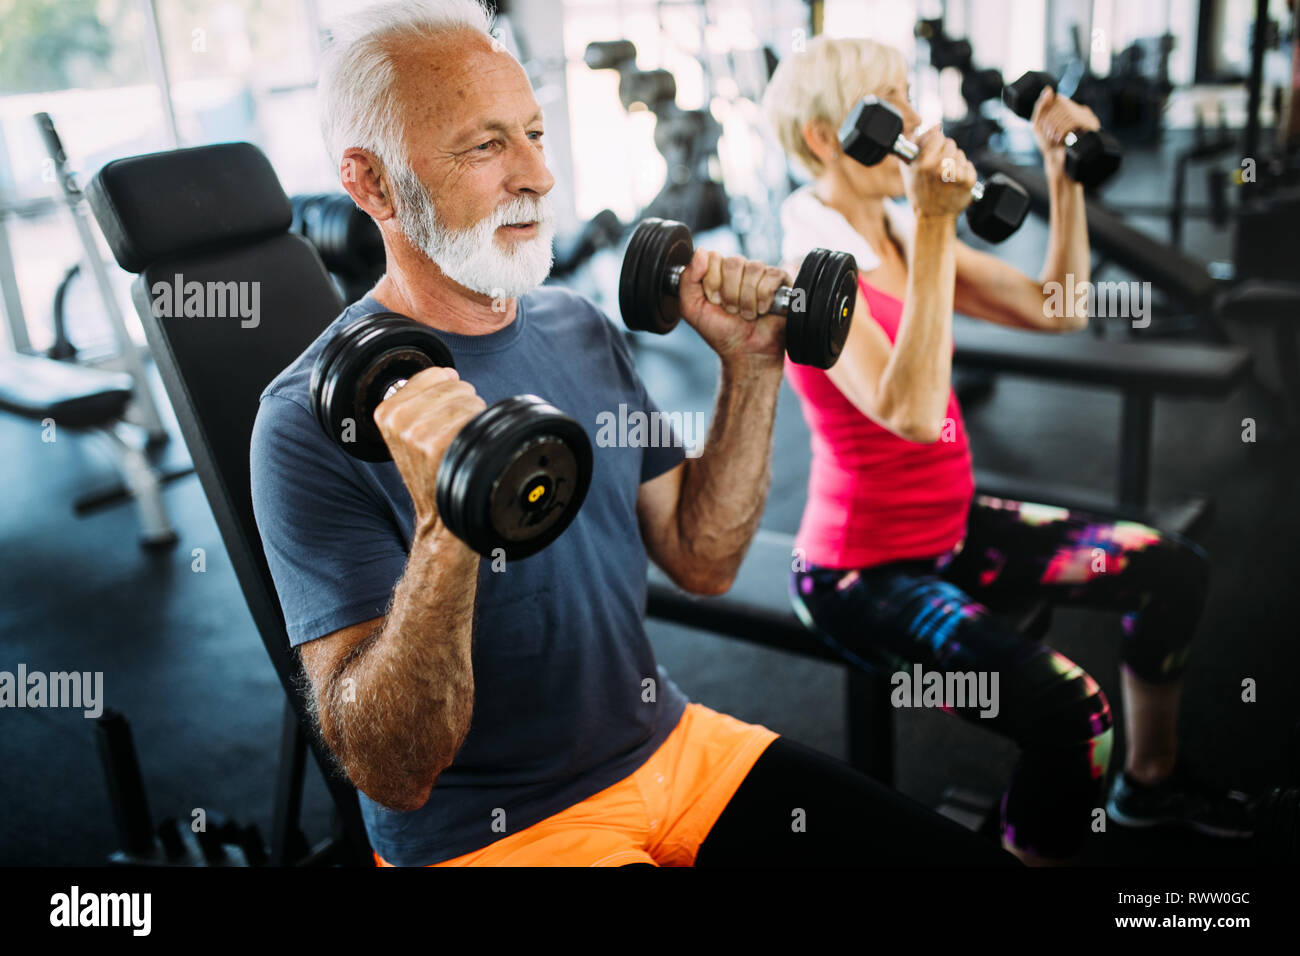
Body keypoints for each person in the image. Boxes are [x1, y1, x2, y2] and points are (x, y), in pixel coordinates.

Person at [250, 0, 1015, 867]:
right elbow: (395, 773)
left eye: (535, 133)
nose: (538, 173)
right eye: (486, 146)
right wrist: (446, 526)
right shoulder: (307, 422)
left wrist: (754, 367)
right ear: (372, 183)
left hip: (672, 749)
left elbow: (703, 559)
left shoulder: (575, 324)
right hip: (487, 834)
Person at [762, 35, 1253, 865]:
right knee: (1073, 716)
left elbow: (1059, 305)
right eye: (893, 102)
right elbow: (911, 413)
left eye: (909, 97)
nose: (917, 122)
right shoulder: (810, 275)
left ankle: (1151, 782)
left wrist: (1061, 178)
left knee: (1172, 568)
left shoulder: (895, 232)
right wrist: (931, 225)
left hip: (952, 527)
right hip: (861, 573)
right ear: (824, 137)